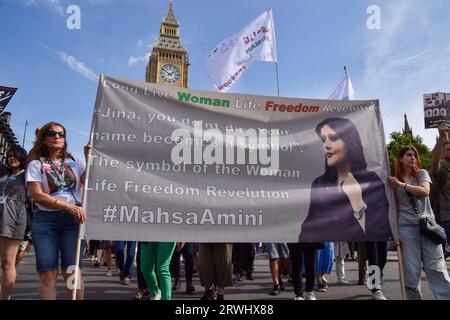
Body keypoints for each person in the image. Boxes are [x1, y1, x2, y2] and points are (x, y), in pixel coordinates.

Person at [300, 117, 392, 241]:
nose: (326, 145)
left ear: (349, 142)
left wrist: (357, 201)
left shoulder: (371, 181)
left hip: (364, 256)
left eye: (333, 138)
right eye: (323, 139)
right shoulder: (319, 184)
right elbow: (307, 231)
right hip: (326, 254)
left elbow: (380, 229)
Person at [26, 122, 88, 300]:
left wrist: (89, 157)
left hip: (73, 221)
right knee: (48, 274)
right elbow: (37, 195)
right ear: (44, 139)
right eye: (52, 134)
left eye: (61, 134)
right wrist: (67, 206)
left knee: (72, 272)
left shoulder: (75, 161)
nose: (57, 137)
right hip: (46, 220)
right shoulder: (36, 164)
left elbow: (89, 181)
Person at [388, 145, 450, 299]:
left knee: (437, 267)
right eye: (409, 155)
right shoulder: (394, 181)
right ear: (401, 159)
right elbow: (394, 209)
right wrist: (395, 233)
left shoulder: (422, 174)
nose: (413, 158)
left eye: (415, 155)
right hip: (406, 228)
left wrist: (401, 185)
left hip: (427, 226)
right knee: (411, 271)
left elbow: (424, 192)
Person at [0, 146, 33, 300]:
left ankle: (5, 296)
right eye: (9, 155)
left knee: (7, 263)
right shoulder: (4, 173)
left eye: (15, 156)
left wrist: (39, 138)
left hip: (13, 218)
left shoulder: (26, 174)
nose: (12, 158)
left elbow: (34, 158)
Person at [430, 123, 450, 257]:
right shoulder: (441, 172)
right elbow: (433, 161)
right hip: (446, 220)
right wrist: (442, 136)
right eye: (446, 149)